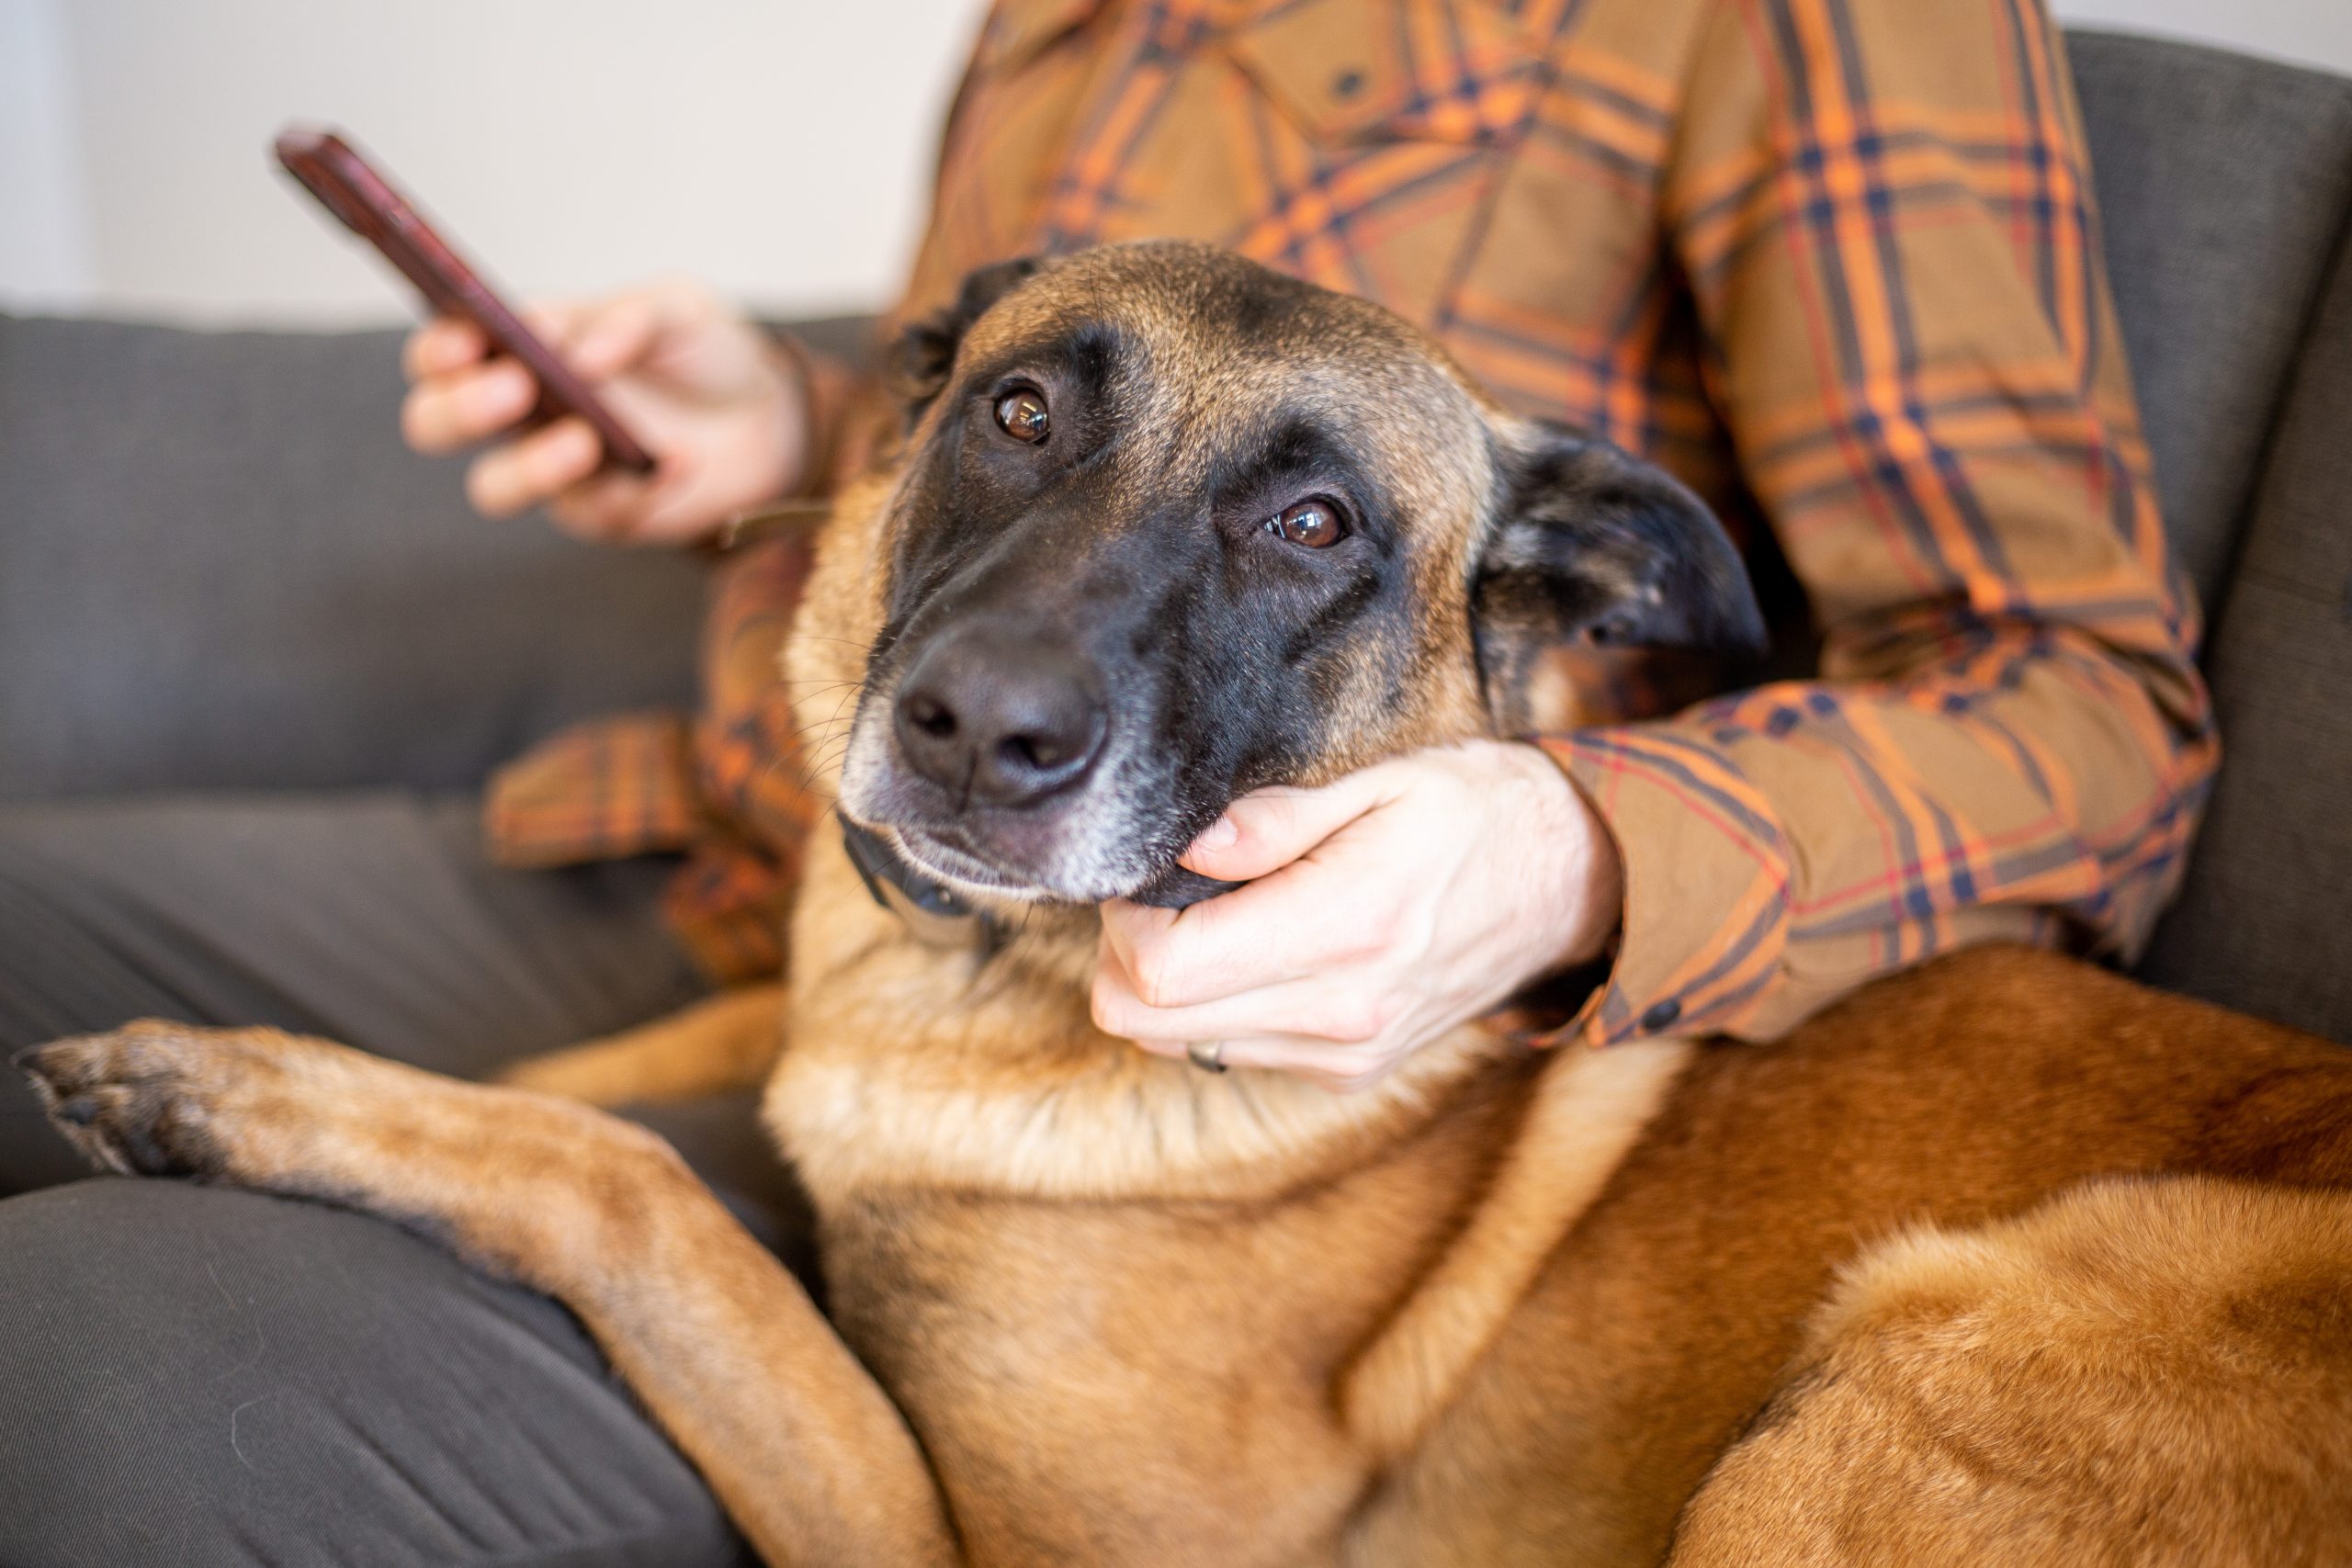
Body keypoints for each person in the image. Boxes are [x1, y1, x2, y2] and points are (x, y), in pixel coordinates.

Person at [0, 1, 2214, 1562]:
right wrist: (783, 432)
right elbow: (1033, 485)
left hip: (1207, 1048)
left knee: (90, 1354)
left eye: (1312, 521)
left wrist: (1566, 846)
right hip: (753, 881)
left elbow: (2082, 694)